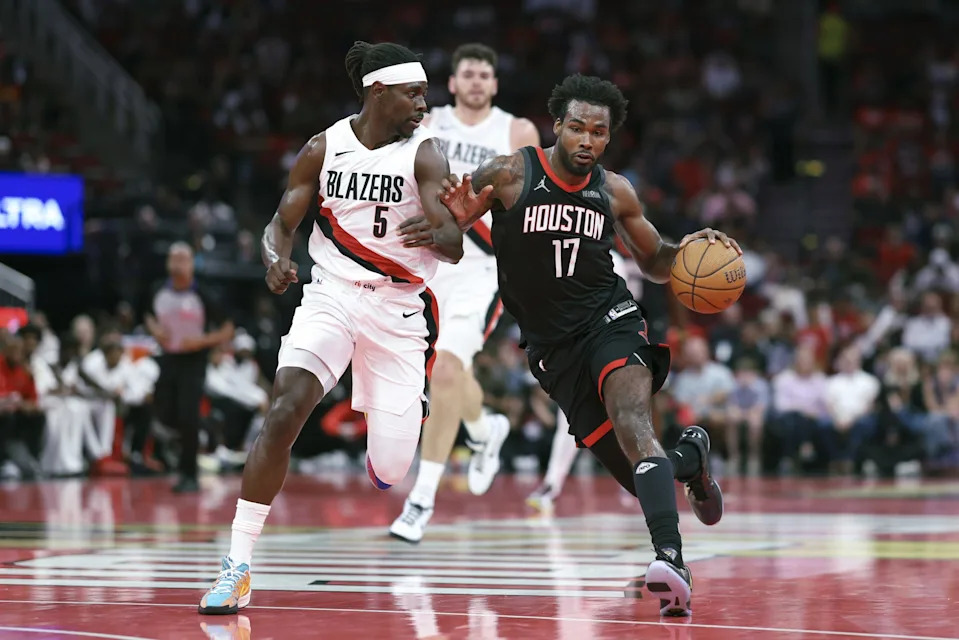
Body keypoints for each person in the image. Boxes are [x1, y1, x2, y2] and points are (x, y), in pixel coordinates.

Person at [433, 74, 736, 616]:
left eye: (599, 132)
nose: (587, 140)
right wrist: (452, 226)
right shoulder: (509, 173)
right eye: (578, 128)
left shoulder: (614, 191)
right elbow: (450, 245)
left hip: (611, 320)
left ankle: (671, 560)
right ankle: (692, 458)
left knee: (632, 419)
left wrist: (689, 250)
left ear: (608, 138)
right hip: (553, 349)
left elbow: (656, 263)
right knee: (635, 472)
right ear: (558, 126)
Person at [198, 41, 463, 615]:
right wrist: (275, 257)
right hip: (333, 295)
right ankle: (238, 565)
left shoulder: (426, 154)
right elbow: (280, 221)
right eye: (413, 93)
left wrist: (441, 231)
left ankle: (389, 431)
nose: (424, 102)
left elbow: (454, 246)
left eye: (425, 92)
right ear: (378, 91)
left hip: (398, 311)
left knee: (392, 470)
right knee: (285, 407)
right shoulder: (325, 147)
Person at [389, 43, 540, 543]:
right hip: (428, 262)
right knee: (444, 375)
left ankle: (421, 499)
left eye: (484, 74)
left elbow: (531, 210)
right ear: (452, 83)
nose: (476, 81)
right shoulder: (428, 124)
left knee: (448, 370)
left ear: (495, 84)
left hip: (481, 268)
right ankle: (482, 429)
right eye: (467, 74)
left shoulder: (517, 132)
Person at [146, 242, 235, 493]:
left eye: (183, 258)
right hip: (168, 357)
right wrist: (155, 330)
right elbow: (146, 315)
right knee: (164, 408)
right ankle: (196, 431)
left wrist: (202, 341)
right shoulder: (156, 290)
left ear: (192, 263)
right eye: (173, 258)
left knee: (188, 415)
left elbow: (228, 328)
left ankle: (189, 474)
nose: (177, 263)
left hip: (194, 361)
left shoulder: (204, 294)